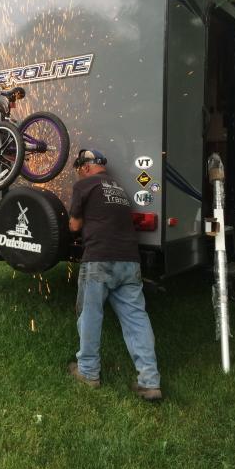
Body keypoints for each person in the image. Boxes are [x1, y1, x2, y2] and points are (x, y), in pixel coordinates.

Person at [67, 149, 162, 401]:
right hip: (130, 261)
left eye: (78, 168)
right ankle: (149, 381)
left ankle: (88, 371)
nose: (78, 172)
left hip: (99, 259)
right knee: (136, 318)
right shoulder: (118, 188)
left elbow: (74, 226)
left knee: (90, 314)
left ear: (86, 167)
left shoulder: (84, 185)